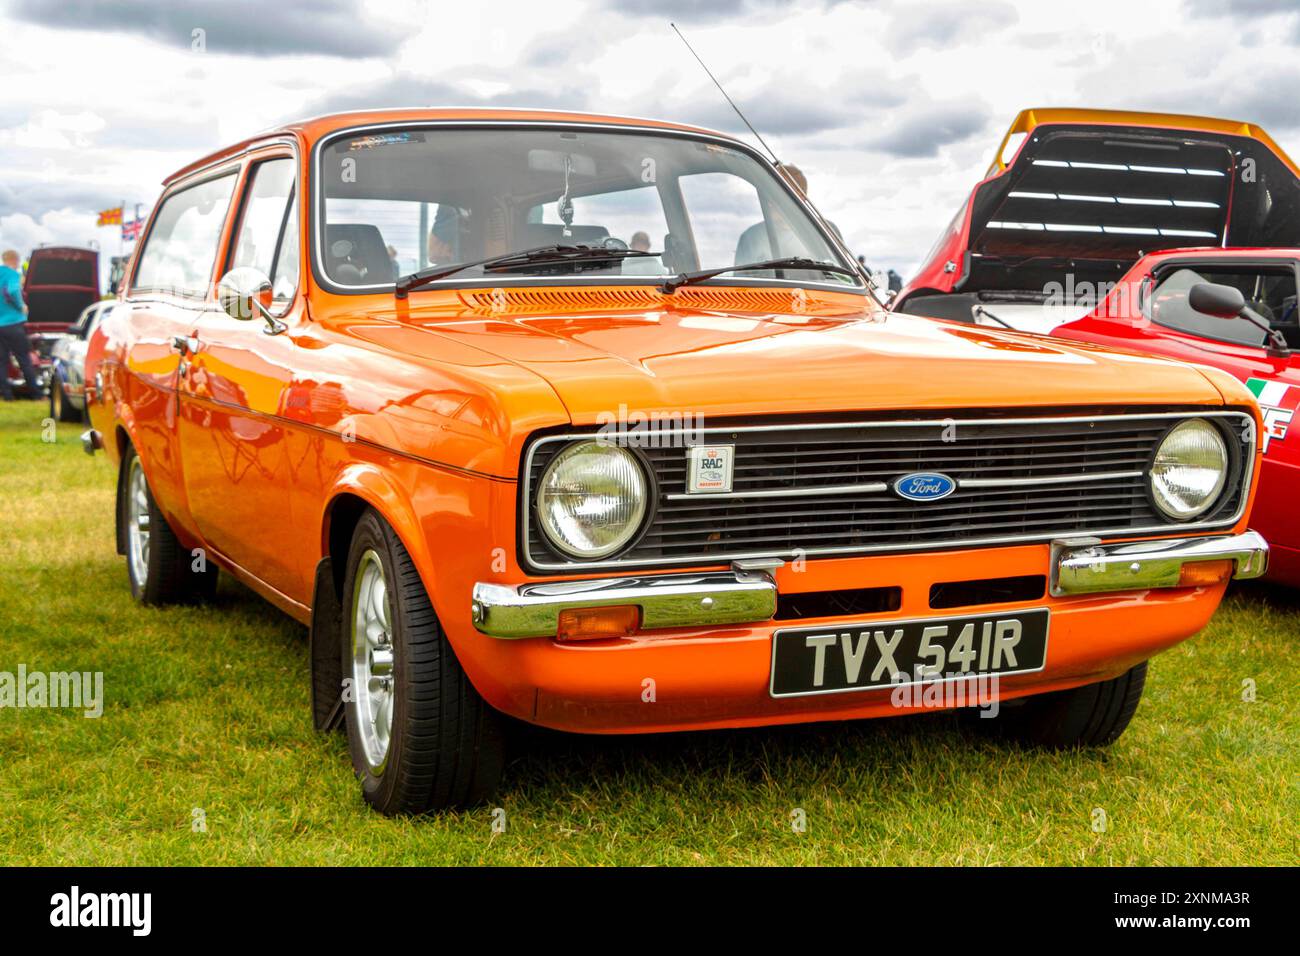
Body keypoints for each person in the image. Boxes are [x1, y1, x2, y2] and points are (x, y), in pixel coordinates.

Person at [0, 249, 38, 401]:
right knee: (24, 359)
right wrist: (21, 306)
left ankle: (7, 395)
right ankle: (37, 394)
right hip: (13, 322)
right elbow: (13, 290)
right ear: (15, 260)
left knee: (2, 361)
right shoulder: (12, 274)